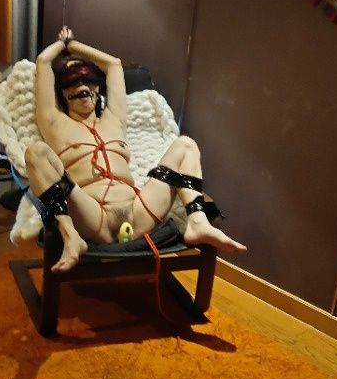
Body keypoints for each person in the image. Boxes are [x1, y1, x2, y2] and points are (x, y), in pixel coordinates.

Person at [25, 27, 247, 273]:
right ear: (63, 93)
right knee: (35, 152)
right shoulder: (55, 123)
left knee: (185, 145)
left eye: (88, 79)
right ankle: (71, 238)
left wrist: (75, 45)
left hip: (139, 210)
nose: (82, 86)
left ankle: (197, 222)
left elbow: (114, 65)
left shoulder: (114, 119)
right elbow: (43, 61)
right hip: (93, 216)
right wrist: (63, 44)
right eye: (72, 81)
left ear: (98, 88)